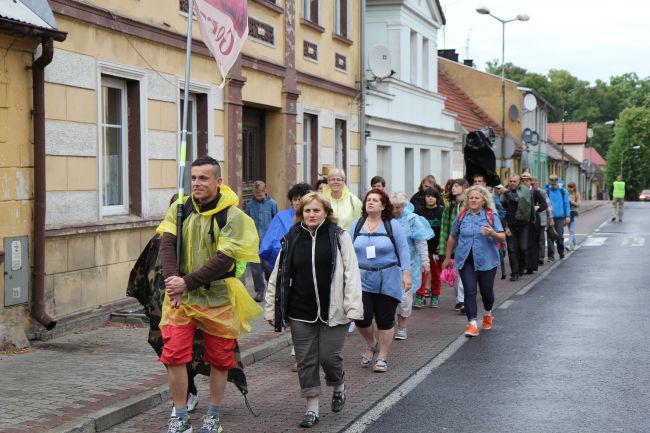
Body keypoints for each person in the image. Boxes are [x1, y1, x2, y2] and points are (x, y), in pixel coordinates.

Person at [157, 156, 262, 433]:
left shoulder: (233, 215)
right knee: (174, 354)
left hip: (217, 297)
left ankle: (213, 415)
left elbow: (224, 260)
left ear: (218, 181)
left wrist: (186, 283)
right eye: (193, 178)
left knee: (220, 358)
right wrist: (173, 283)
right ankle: (180, 416)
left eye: (203, 178)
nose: (196, 183)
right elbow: (167, 245)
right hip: (180, 298)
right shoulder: (180, 207)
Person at [265, 192, 363, 428]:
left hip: (334, 309)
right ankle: (312, 408)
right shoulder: (292, 237)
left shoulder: (339, 237)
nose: (311, 214)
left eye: (316, 210)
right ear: (301, 213)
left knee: (330, 358)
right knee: (306, 360)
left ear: (326, 213)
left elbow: (351, 273)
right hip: (300, 310)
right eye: (307, 210)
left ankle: (338, 384)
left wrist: (353, 306)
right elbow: (277, 275)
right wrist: (272, 308)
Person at [350, 189, 411, 373]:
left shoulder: (392, 225)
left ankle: (382, 356)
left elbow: (403, 250)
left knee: (385, 319)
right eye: (368, 199)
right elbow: (346, 250)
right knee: (361, 316)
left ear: (383, 205)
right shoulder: (357, 224)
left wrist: (406, 274)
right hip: (362, 278)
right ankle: (372, 343)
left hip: (388, 278)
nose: (370, 202)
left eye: (375, 200)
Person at [442, 186, 505, 337]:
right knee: (469, 292)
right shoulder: (462, 215)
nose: (473, 200)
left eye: (477, 198)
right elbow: (452, 236)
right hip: (466, 261)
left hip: (487, 261)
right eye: (471, 197)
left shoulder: (491, 215)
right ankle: (472, 324)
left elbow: (502, 236)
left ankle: (488, 313)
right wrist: (447, 257)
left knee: (487, 294)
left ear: (483, 201)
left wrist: (492, 233)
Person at [389, 192, 433, 339]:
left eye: (398, 207)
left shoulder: (412, 220)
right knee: (388, 297)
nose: (395, 210)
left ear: (404, 206)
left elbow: (421, 242)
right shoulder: (386, 219)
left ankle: (402, 327)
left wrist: (425, 262)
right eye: (393, 207)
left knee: (404, 298)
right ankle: (388, 326)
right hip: (388, 265)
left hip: (409, 265)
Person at [259, 183, 312, 268]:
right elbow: (267, 246)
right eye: (295, 199)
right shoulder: (281, 218)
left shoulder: (313, 218)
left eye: (300, 199)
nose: (297, 203)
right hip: (285, 266)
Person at [244, 180, 278, 302]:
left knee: (269, 266)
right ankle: (259, 291)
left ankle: (272, 289)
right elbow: (246, 222)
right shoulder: (249, 206)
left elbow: (276, 221)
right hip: (254, 242)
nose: (258, 197)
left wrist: (275, 238)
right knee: (255, 269)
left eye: (260, 195)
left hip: (268, 242)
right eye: (256, 195)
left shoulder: (272, 204)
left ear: (265, 192)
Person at [438, 178, 469, 313]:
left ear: (464, 188)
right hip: (453, 244)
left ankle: (463, 301)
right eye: (452, 186)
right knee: (456, 273)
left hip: (466, 244)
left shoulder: (468, 205)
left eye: (457, 186)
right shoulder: (450, 206)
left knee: (464, 272)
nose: (453, 188)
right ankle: (459, 300)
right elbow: (444, 229)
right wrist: (443, 251)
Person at [415, 187, 444, 308]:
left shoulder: (442, 211)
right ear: (424, 198)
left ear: (437, 198)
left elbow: (444, 230)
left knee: (436, 274)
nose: (430, 198)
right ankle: (419, 296)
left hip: (436, 248)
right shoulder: (419, 212)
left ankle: (435, 296)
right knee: (421, 273)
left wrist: (441, 245)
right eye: (428, 196)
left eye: (433, 196)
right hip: (422, 249)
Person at [501, 175, 532, 281]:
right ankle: (514, 273)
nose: (512, 183)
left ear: (519, 182)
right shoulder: (505, 193)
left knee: (523, 248)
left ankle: (521, 266)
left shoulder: (524, 190)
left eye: (514, 181)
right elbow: (501, 211)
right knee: (512, 249)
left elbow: (517, 199)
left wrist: (505, 192)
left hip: (523, 224)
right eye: (510, 181)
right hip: (510, 225)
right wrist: (505, 226)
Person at [521, 172, 548, 274]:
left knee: (532, 243)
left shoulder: (535, 192)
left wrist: (537, 208)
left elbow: (544, 204)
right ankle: (522, 265)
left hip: (533, 221)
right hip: (522, 221)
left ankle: (531, 266)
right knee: (523, 243)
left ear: (530, 182)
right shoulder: (518, 192)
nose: (525, 183)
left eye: (527, 181)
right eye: (523, 181)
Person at [545, 174, 571, 261]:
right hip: (549, 217)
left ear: (557, 183)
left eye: (555, 184)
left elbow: (566, 204)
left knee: (560, 236)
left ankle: (561, 252)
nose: (553, 186)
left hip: (560, 217)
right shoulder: (546, 191)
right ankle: (551, 256)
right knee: (550, 237)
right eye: (552, 184)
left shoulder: (563, 191)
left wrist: (567, 216)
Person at [533, 177, 552, 266]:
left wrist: (551, 218)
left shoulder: (543, 192)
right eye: (532, 184)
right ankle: (534, 257)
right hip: (531, 220)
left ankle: (540, 257)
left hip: (542, 219)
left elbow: (548, 206)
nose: (534, 186)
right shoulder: (528, 192)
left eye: (535, 184)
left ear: (538, 184)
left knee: (541, 238)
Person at [492, 184, 508, 279]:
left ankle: (503, 272)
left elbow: (504, 211)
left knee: (501, 247)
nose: (498, 189)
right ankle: (502, 272)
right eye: (496, 188)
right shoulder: (493, 197)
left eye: (499, 188)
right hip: (495, 223)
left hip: (501, 223)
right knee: (499, 247)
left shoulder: (503, 196)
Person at [567, 181, 580, 250]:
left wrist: (571, 202)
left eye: (571, 187)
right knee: (571, 230)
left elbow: (578, 204)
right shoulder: (566, 193)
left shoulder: (577, 194)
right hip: (568, 213)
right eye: (569, 187)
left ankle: (569, 245)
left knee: (572, 230)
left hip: (574, 213)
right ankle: (575, 245)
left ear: (574, 187)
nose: (570, 188)